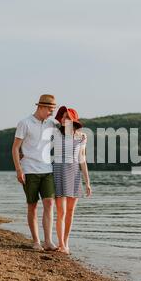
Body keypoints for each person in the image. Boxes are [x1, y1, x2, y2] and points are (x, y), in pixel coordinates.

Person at [12, 94, 58, 251]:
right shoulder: (25, 123)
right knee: (32, 206)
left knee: (50, 203)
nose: (51, 113)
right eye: (50, 110)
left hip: (47, 170)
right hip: (29, 170)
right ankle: (36, 241)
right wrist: (19, 169)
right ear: (41, 107)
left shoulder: (52, 124)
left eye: (53, 110)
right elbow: (15, 148)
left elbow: (68, 130)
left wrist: (80, 134)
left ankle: (48, 241)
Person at [52, 106, 92, 254]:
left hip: (74, 173)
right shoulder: (55, 133)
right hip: (58, 171)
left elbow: (82, 159)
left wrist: (87, 182)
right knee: (61, 211)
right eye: (62, 117)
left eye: (67, 117)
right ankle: (61, 244)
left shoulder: (82, 137)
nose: (63, 119)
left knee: (70, 211)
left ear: (73, 120)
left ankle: (66, 243)